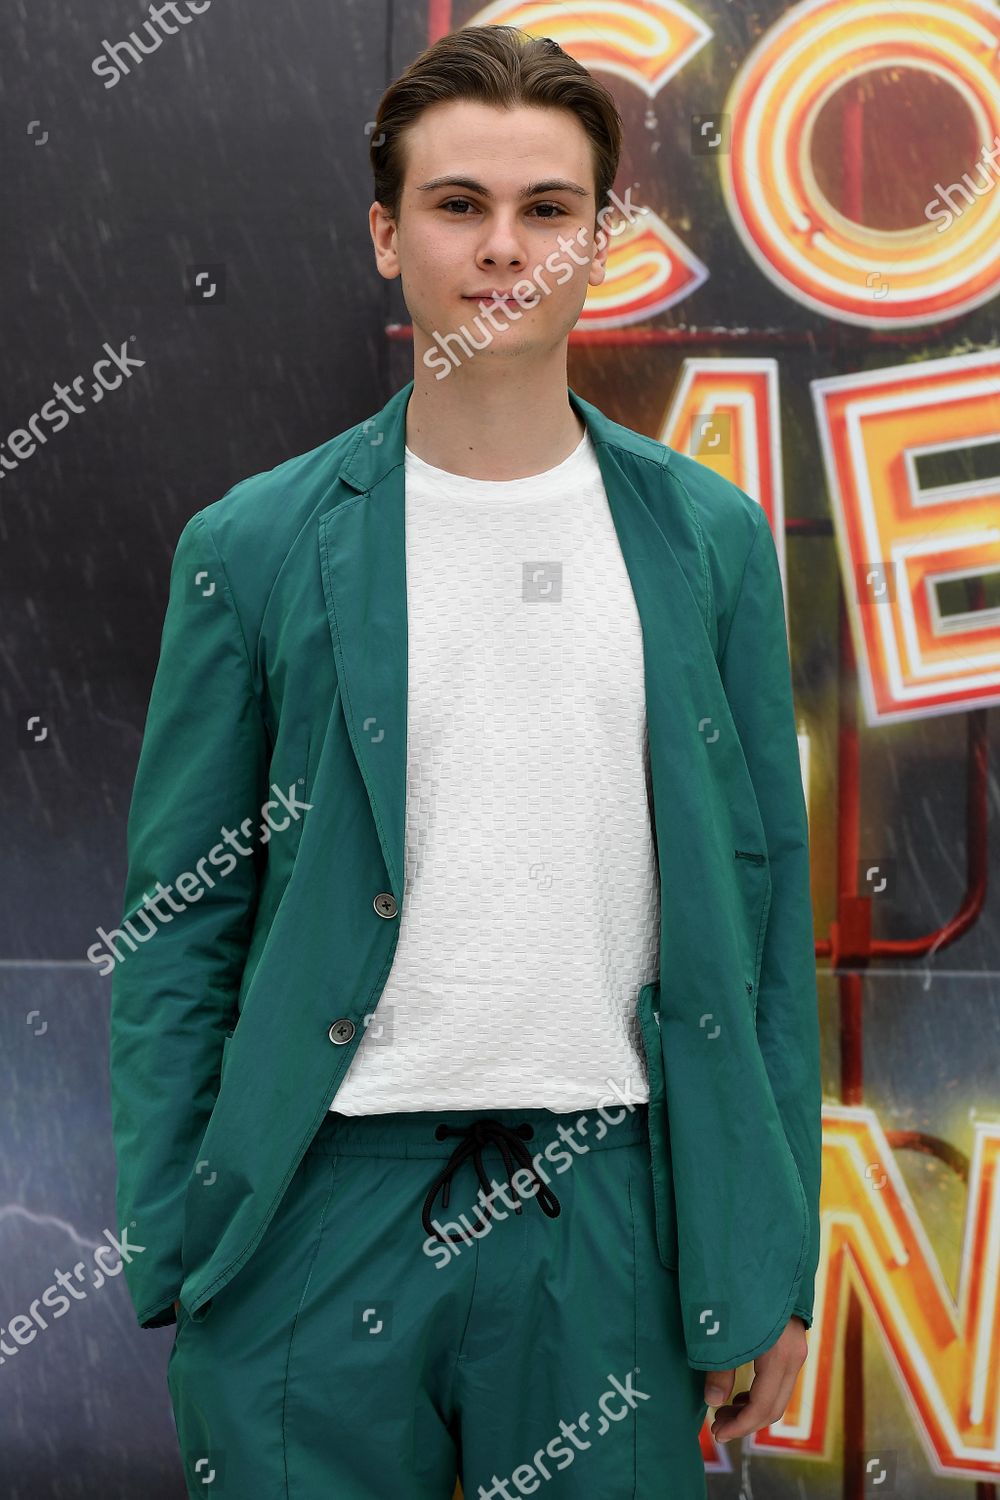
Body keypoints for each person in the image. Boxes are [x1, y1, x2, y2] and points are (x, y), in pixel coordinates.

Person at [108, 22, 821, 1499]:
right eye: (458, 205)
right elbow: (180, 928)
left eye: (548, 208)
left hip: (611, 1211)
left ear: (600, 236)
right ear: (387, 234)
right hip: (317, 1212)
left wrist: (763, 1255)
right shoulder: (252, 546)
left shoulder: (708, 542)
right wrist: (189, 1242)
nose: (506, 248)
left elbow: (759, 931)